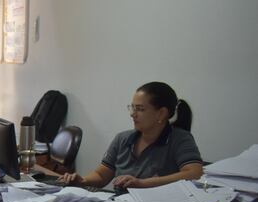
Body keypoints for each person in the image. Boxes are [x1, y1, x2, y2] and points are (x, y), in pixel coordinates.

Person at [59, 81, 203, 189]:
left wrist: (142, 183)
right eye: (132, 108)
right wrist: (83, 181)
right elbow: (102, 175)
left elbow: (194, 173)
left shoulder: (180, 139)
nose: (132, 114)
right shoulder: (122, 139)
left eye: (140, 109)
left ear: (161, 113)